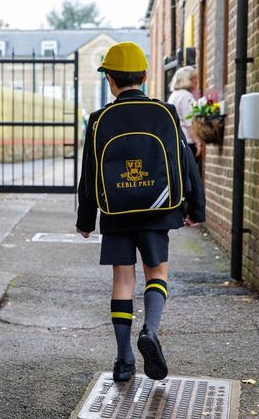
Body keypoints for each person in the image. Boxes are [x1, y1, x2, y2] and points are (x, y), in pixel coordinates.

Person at [76, 42, 205, 383]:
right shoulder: (165, 112)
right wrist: (196, 207)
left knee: (122, 280)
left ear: (110, 80)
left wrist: (85, 219)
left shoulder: (99, 119)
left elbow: (90, 173)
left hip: (116, 212)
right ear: (145, 77)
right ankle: (150, 330)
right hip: (158, 209)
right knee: (156, 272)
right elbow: (185, 163)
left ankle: (123, 360)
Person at [168, 66, 202, 159]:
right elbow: (189, 123)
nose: (196, 81)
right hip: (187, 142)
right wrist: (198, 142)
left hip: (175, 140)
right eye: (194, 78)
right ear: (187, 79)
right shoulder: (186, 96)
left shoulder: (173, 95)